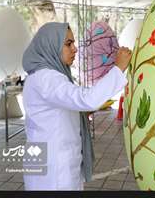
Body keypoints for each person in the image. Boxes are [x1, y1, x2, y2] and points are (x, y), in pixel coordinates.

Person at [21, 22, 131, 190]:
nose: (75, 49)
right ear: (50, 45)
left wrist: (80, 112)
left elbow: (63, 106)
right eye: (68, 44)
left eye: (73, 43)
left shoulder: (42, 75)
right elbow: (86, 99)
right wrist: (118, 68)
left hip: (53, 162)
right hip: (55, 170)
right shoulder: (46, 78)